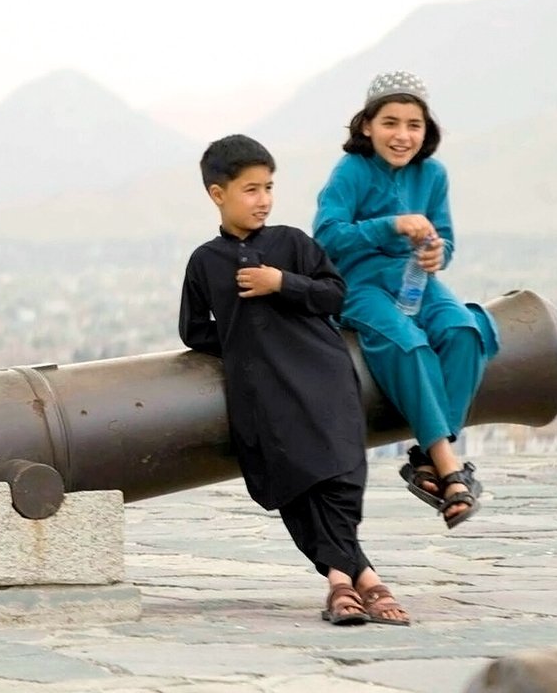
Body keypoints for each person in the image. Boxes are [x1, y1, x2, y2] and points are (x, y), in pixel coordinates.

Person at [179, 134, 410, 626]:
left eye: (268, 187)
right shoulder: (205, 262)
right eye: (250, 189)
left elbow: (335, 295)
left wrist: (279, 283)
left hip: (322, 377)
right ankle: (354, 581)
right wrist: (247, 345)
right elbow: (194, 329)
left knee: (340, 477)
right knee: (297, 486)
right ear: (217, 194)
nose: (263, 199)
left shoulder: (292, 244)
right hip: (263, 395)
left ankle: (348, 583)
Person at [312, 71, 498, 529]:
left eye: (413, 124)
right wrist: (391, 225)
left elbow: (446, 240)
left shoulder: (432, 175)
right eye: (390, 122)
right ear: (367, 126)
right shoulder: (351, 172)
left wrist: (438, 252)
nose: (402, 135)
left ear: (426, 130)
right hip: (360, 284)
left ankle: (424, 459)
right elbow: (326, 237)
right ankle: (448, 466)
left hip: (416, 281)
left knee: (464, 332)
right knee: (406, 345)